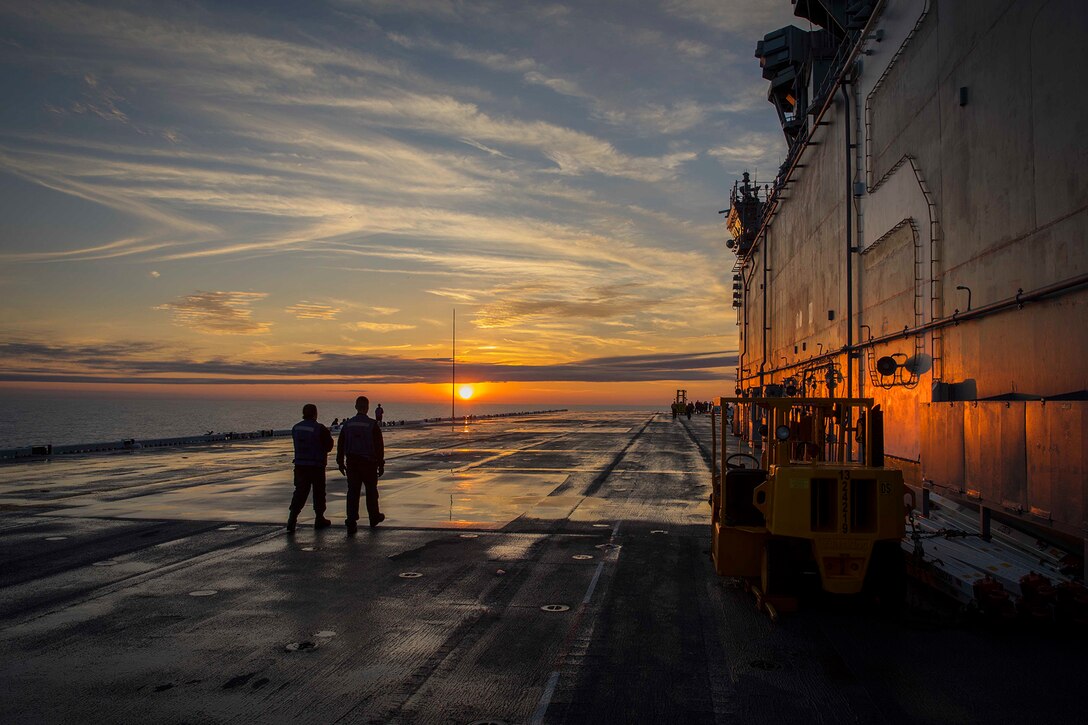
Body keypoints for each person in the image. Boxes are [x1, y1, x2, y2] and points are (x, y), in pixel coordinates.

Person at [337, 395, 386, 535]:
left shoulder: (347, 424)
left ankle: (351, 521)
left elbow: (341, 445)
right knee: (371, 491)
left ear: (356, 407)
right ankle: (374, 517)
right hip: (369, 463)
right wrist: (381, 464)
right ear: (368, 407)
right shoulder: (372, 425)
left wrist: (340, 462)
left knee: (352, 492)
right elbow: (379, 447)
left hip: (352, 463)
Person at [287, 403, 334, 533]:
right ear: (315, 413)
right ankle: (319, 518)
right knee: (319, 493)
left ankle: (292, 518)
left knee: (299, 493)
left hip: (300, 465)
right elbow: (329, 446)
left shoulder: (296, 428)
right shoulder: (320, 429)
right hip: (316, 466)